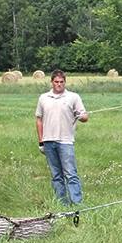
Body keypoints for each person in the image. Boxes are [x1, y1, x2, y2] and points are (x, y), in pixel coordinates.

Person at [35, 69, 89, 206]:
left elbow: (84, 116)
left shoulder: (73, 97)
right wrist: (41, 141)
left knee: (71, 174)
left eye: (61, 82)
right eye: (56, 82)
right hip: (48, 141)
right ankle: (62, 204)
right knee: (56, 175)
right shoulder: (43, 98)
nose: (59, 84)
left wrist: (82, 116)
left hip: (66, 141)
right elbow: (39, 120)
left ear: (65, 82)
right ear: (51, 82)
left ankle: (77, 203)